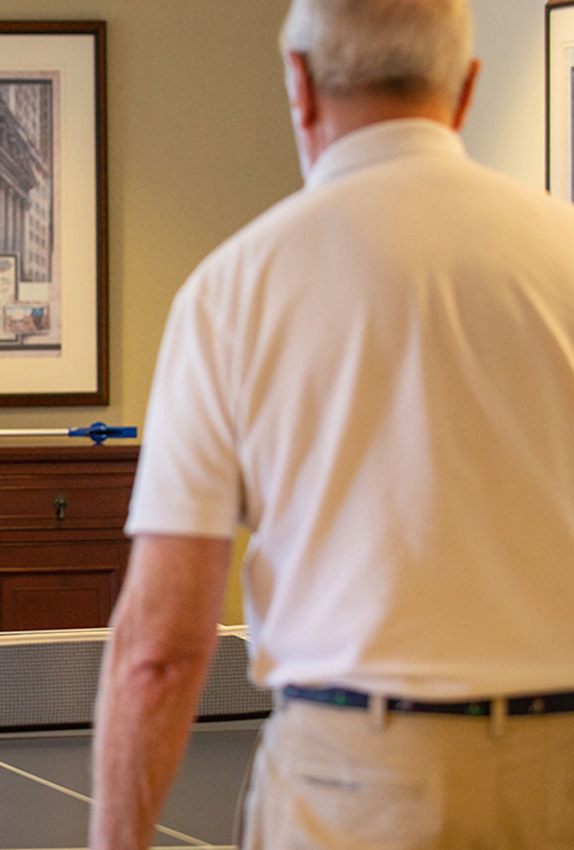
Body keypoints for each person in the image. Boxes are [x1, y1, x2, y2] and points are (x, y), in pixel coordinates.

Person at [91, 0, 574, 847]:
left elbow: (160, 647)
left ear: (299, 83)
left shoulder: (234, 289)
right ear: (464, 89)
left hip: (354, 781)